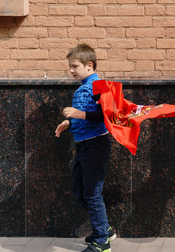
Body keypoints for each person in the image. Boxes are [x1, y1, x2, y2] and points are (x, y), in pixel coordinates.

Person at [55, 44, 116, 252]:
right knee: (80, 191)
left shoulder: (99, 85)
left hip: (96, 145)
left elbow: (108, 115)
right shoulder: (84, 86)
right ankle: (105, 229)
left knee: (92, 194)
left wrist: (77, 115)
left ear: (89, 65)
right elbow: (87, 112)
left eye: (74, 66)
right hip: (83, 146)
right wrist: (69, 123)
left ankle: (102, 243)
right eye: (70, 67)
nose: (71, 70)